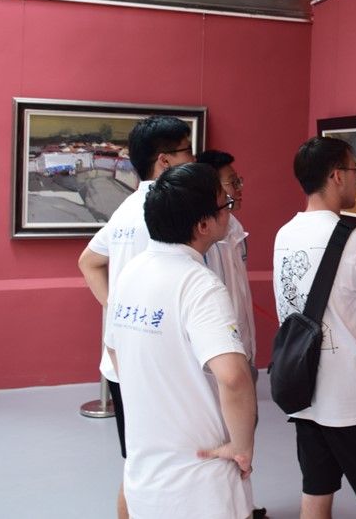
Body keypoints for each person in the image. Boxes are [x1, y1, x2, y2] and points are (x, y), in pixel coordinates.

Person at [104, 162, 256, 519]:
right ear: (203, 225)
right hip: (201, 478)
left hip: (145, 473)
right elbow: (234, 376)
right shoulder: (200, 285)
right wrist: (241, 446)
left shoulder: (130, 272)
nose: (230, 211)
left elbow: (114, 349)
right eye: (224, 205)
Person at [272, 136, 356, 519]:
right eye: (355, 171)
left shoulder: (285, 234)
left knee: (316, 494)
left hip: (304, 394)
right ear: (336, 176)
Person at [77, 115, 195, 519]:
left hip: (125, 359)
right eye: (187, 150)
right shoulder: (166, 212)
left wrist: (116, 312)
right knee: (164, 465)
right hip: (157, 362)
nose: (193, 158)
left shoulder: (127, 207)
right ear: (164, 160)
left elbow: (88, 261)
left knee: (138, 461)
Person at [196, 150, 256, 376]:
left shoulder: (235, 227)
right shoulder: (201, 236)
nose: (239, 189)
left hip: (243, 346)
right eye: (232, 183)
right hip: (217, 358)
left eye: (238, 181)